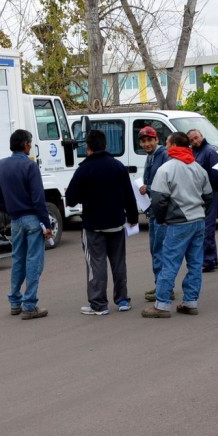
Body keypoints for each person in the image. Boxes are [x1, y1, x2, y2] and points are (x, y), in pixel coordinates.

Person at [65, 130, 140, 315]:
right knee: (118, 263)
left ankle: (99, 304)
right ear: (106, 146)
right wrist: (133, 218)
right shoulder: (118, 166)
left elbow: (71, 199)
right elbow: (129, 196)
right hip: (117, 222)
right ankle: (122, 300)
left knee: (96, 264)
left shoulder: (84, 169)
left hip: (94, 225)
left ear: (88, 148)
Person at [143, 132, 213, 318]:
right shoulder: (198, 168)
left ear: (173, 145)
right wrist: (200, 212)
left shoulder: (166, 169)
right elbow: (208, 196)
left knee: (170, 263)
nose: (165, 146)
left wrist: (162, 218)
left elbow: (158, 199)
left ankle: (162, 304)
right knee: (195, 263)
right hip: (198, 220)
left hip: (178, 222)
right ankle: (190, 302)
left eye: (167, 143)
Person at [0, 129, 53, 319]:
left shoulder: (0, 165)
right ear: (26, 144)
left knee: (18, 259)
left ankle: (15, 302)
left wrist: (11, 210)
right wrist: (46, 223)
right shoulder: (30, 166)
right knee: (34, 261)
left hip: (15, 219)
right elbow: (38, 199)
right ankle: (30, 304)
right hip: (32, 218)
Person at [137, 126, 170, 302]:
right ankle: (161, 285)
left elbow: (166, 182)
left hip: (162, 212)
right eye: (143, 141)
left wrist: (147, 188)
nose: (147, 144)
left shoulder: (164, 155)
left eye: (150, 140)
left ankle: (164, 289)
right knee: (155, 250)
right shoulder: (150, 157)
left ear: (157, 140)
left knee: (161, 251)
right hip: (152, 210)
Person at [188, 129, 218, 272]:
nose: (195, 141)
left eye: (196, 138)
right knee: (203, 228)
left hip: (208, 195)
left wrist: (209, 190)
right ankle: (212, 259)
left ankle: (208, 261)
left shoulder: (210, 152)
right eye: (191, 140)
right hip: (198, 196)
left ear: (202, 135)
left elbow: (217, 176)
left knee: (207, 228)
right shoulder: (193, 152)